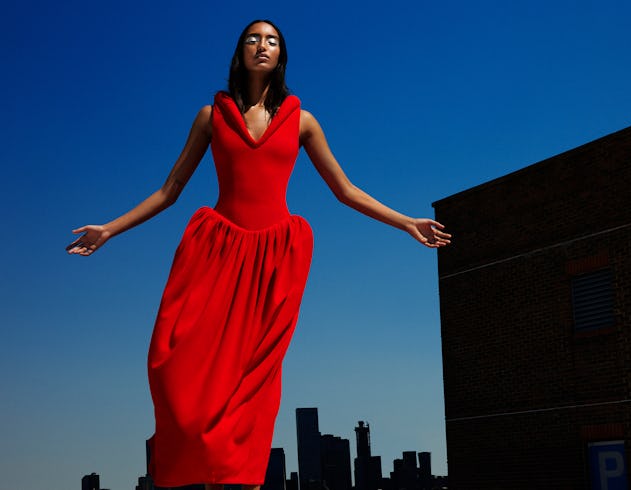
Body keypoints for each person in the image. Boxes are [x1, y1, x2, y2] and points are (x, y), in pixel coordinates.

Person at [67, 19, 450, 490]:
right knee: (172, 368)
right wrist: (109, 229)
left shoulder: (302, 119)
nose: (261, 46)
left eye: (271, 40)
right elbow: (170, 190)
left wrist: (406, 222)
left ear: (280, 55)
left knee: (254, 391)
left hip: (273, 262)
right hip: (217, 255)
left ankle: (240, 481)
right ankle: (201, 472)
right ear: (240, 52)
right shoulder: (212, 115)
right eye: (252, 39)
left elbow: (345, 190)